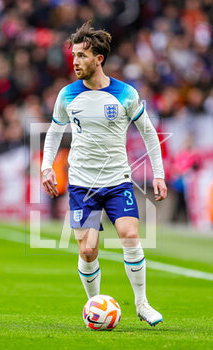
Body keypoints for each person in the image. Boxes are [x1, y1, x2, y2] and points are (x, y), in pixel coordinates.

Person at [41, 21, 167, 327]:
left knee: (131, 235)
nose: (75, 61)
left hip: (117, 181)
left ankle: (142, 303)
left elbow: (150, 134)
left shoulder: (125, 94)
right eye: (74, 56)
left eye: (82, 56)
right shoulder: (67, 95)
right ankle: (93, 305)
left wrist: (159, 175)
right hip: (82, 185)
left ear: (99, 58)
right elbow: (55, 132)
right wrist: (46, 166)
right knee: (87, 251)